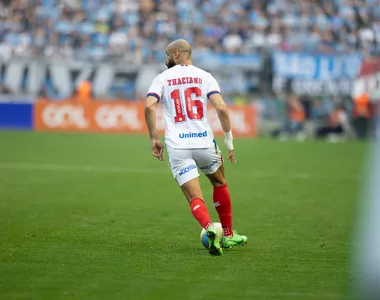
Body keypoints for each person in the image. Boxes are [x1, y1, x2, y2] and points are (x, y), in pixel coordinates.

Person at [144, 39, 247, 256]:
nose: (165, 59)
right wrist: (229, 141)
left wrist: (154, 138)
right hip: (203, 142)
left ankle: (209, 228)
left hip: (178, 146)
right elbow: (221, 108)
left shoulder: (161, 78)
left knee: (194, 197)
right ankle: (227, 234)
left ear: (178, 54)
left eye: (167, 54)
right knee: (220, 182)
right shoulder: (205, 76)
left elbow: (149, 106)